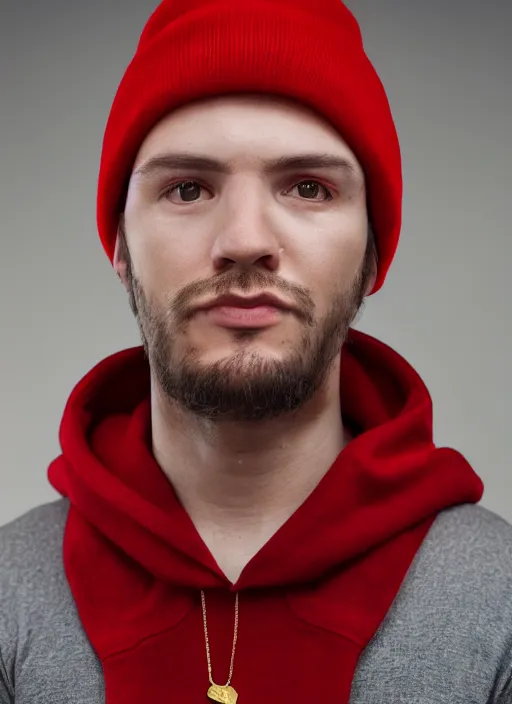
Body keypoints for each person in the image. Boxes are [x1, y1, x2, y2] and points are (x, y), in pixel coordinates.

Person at [1, 0, 511, 702]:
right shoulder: (7, 597)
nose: (244, 238)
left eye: (308, 187)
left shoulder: (500, 601)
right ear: (119, 246)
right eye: (187, 188)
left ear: (371, 254)